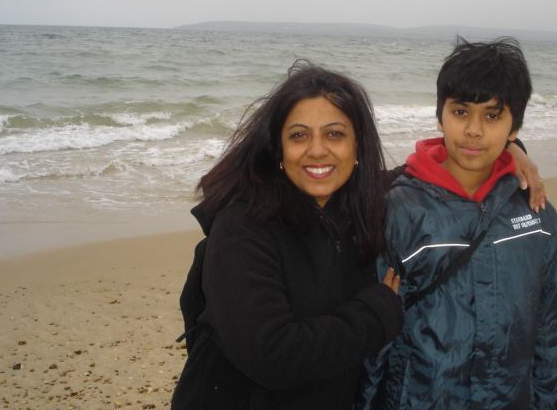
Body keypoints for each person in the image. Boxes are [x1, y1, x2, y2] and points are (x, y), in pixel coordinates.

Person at [171, 61, 404, 410]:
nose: (317, 150)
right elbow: (273, 356)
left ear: (358, 146)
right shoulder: (243, 228)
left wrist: (489, 153)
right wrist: (377, 313)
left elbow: (418, 172)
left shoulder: (354, 208)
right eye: (299, 135)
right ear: (278, 149)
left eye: (335, 134)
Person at [358, 38, 557, 409]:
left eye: (492, 116)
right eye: (460, 112)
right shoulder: (398, 210)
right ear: (440, 115)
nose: (473, 130)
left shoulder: (536, 217)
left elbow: (550, 327)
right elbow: (375, 335)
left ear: (514, 128)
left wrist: (554, 403)